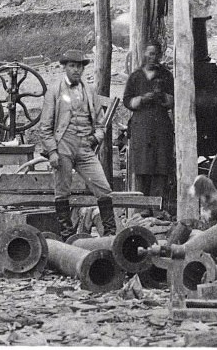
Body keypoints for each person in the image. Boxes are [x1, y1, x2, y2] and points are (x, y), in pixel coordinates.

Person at [38, 49, 115, 237]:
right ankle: (67, 236)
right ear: (64, 67)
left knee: (103, 188)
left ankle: (110, 234)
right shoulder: (54, 91)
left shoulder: (89, 90)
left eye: (79, 66)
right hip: (63, 146)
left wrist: (96, 137)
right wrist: (52, 151)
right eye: (72, 66)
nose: (76, 70)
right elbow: (45, 126)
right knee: (62, 191)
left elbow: (101, 122)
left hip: (85, 147)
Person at [123, 40, 175, 216]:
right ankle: (143, 207)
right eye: (150, 54)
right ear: (145, 54)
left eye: (156, 54)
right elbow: (127, 100)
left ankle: (158, 208)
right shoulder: (135, 77)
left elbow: (174, 99)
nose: (153, 57)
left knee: (161, 166)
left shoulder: (166, 76)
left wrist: (162, 97)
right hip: (142, 127)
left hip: (160, 126)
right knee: (143, 166)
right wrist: (142, 99)